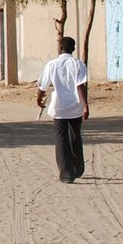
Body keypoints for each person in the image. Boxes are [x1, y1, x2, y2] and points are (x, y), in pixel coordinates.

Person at [37, 35, 90, 183]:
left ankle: (66, 174)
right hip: (75, 107)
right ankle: (78, 168)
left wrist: (38, 99)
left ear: (60, 48)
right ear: (73, 49)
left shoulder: (51, 65)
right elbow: (80, 86)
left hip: (58, 107)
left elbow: (43, 85)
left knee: (61, 139)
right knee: (75, 137)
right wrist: (85, 106)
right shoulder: (79, 65)